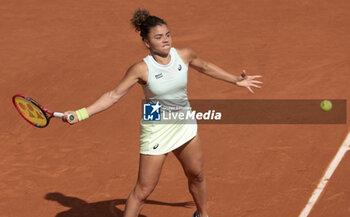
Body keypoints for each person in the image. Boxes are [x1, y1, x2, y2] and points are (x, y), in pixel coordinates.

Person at [63, 9, 262, 217]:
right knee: (143, 190)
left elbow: (204, 66)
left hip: (184, 122)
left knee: (197, 175)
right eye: (158, 37)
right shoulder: (141, 69)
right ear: (147, 43)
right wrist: (81, 114)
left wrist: (235, 79)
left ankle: (203, 215)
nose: (165, 40)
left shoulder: (183, 55)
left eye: (167, 35)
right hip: (156, 125)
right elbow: (113, 95)